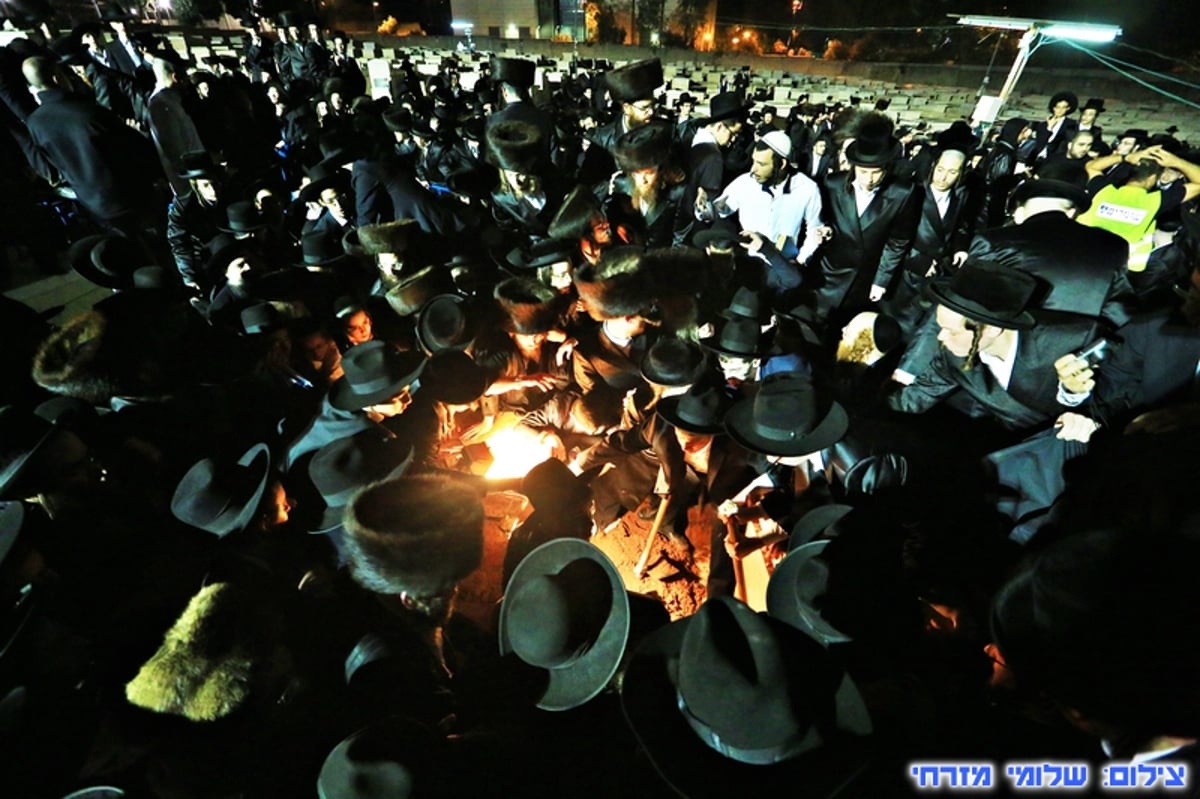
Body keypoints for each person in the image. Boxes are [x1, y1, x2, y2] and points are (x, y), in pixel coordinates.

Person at [812, 112, 921, 325]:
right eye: (863, 172)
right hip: (828, 274)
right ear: (853, 165)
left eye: (876, 172)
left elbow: (897, 242)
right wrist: (825, 230)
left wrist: (881, 281)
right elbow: (822, 219)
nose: (869, 179)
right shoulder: (832, 184)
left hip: (864, 280)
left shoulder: (903, 193)